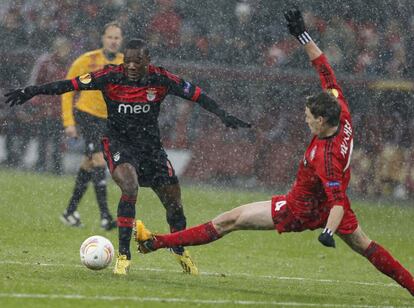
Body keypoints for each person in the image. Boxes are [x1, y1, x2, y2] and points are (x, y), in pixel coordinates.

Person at [132, 9, 414, 296]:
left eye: (308, 116)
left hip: (300, 209)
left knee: (230, 220)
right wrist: (302, 35)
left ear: (321, 121)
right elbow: (324, 67)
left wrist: (327, 232)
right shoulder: (340, 110)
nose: (304, 118)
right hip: (328, 207)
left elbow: (338, 201)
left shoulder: (325, 156)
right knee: (366, 247)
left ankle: (155, 241)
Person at [3, 39, 251, 276]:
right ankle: (123, 255)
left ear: (148, 61)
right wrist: (32, 90)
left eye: (137, 62)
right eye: (128, 61)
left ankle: (178, 249)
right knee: (130, 186)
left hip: (151, 149)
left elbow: (197, 94)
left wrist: (223, 114)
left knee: (174, 203)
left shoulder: (161, 78)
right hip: (118, 143)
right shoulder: (109, 76)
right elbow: (70, 85)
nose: (131, 66)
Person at [60, 22, 123, 230]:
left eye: (117, 38)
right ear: (103, 38)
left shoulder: (124, 63)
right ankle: (105, 217)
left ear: (120, 41)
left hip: (108, 120)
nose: (113, 41)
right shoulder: (88, 60)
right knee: (98, 160)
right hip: (86, 115)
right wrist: (69, 122)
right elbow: (68, 90)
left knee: (89, 164)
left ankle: (70, 211)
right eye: (110, 37)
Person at [29, 37, 71, 175]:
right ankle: (41, 164)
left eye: (65, 49)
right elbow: (36, 84)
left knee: (58, 139)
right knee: (43, 137)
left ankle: (57, 165)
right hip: (45, 108)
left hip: (60, 109)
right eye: (60, 48)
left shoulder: (70, 65)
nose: (62, 51)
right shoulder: (45, 62)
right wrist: (39, 102)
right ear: (55, 48)